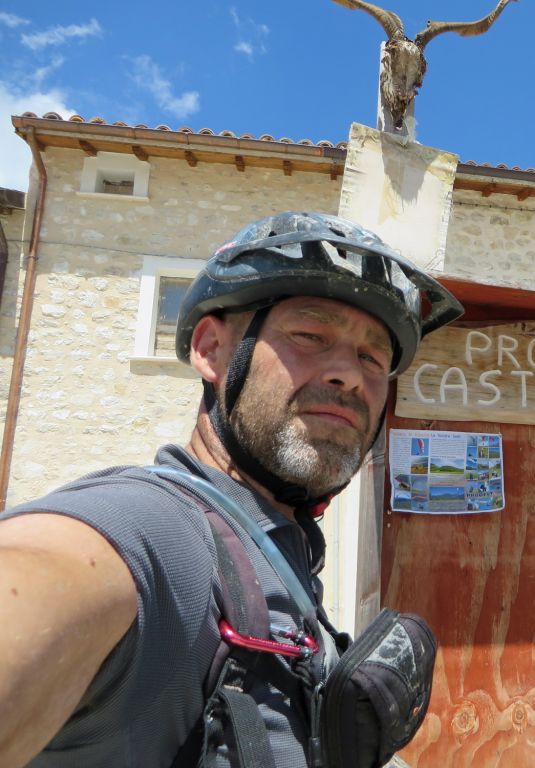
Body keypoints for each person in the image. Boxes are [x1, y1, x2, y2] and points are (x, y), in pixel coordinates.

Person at [0, 213, 464, 767]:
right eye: (310, 334)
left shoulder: (275, 553)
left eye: (373, 357)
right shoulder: (151, 530)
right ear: (211, 349)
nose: (349, 374)